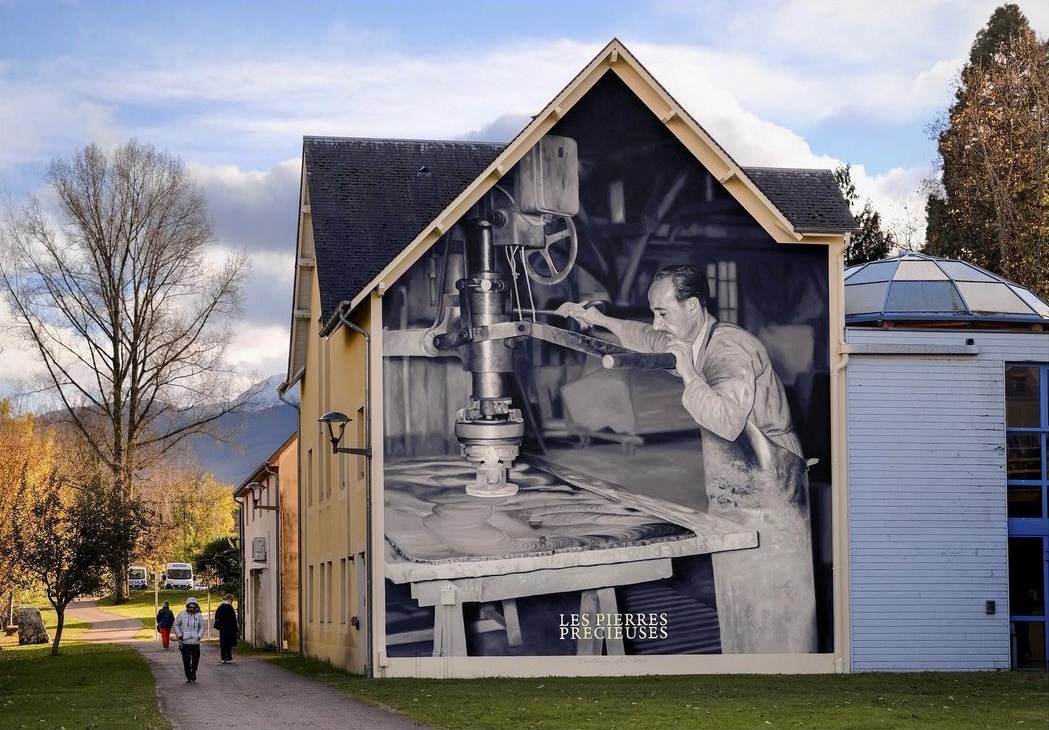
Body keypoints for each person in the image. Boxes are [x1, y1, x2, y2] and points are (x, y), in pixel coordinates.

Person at [558, 263, 817, 653]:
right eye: (654, 312)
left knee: (777, 613)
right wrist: (597, 319)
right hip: (735, 486)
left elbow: (727, 421)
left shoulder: (730, 348)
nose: (656, 322)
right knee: (741, 605)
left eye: (663, 312)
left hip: (773, 485)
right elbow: (645, 336)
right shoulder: (686, 335)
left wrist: (690, 374)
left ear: (693, 306)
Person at [172, 596, 206, 682]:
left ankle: (193, 671)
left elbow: (202, 626)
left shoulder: (199, 615)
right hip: (185, 641)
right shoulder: (182, 614)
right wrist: (179, 635)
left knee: (195, 658)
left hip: (195, 641)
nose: (192, 609)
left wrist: (199, 636)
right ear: (187, 606)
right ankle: (188, 675)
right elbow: (175, 624)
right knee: (186, 659)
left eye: (193, 607)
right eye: (190, 607)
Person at [213, 593, 239, 664]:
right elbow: (233, 619)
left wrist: (220, 627)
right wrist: (235, 629)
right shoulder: (229, 608)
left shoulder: (220, 607)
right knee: (228, 644)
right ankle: (229, 658)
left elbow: (217, 618)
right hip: (229, 629)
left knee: (223, 643)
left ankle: (223, 657)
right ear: (230, 599)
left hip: (222, 629)